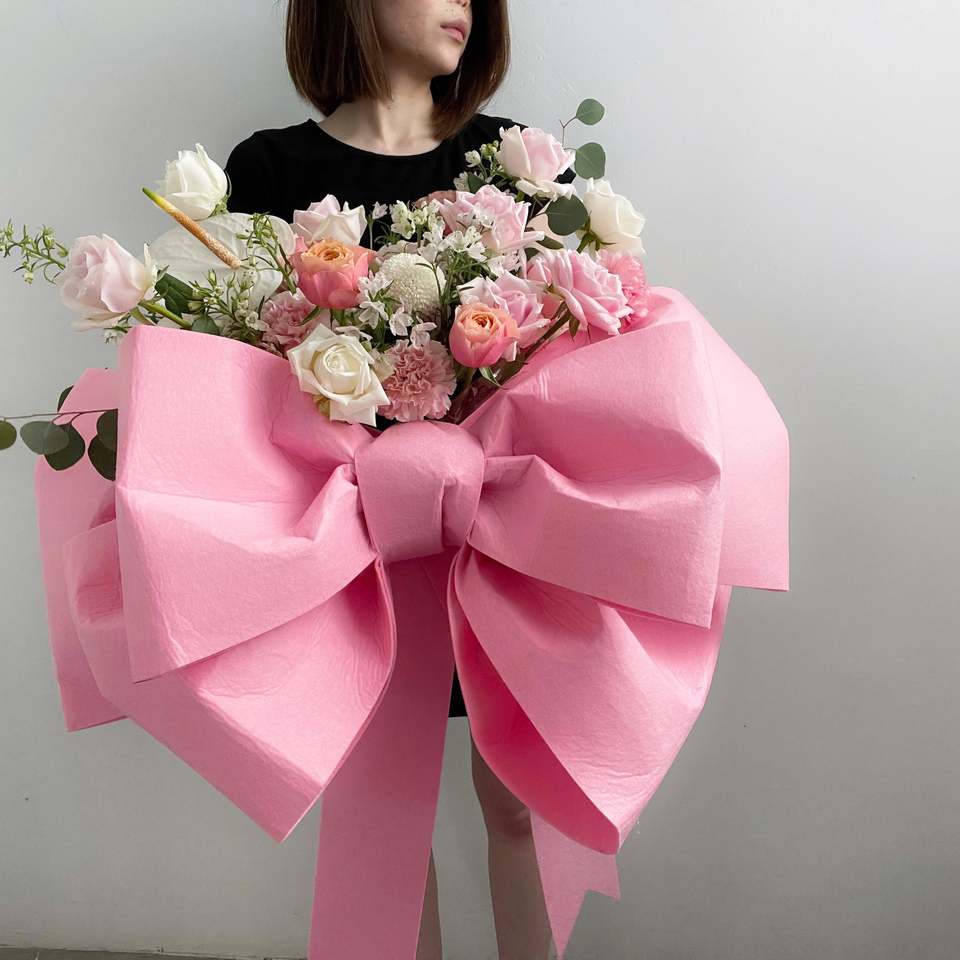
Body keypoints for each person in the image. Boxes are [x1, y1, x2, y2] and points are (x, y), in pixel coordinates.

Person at [223, 2, 560, 958]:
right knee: (385, 813)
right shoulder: (270, 171)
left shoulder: (517, 163)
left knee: (521, 804)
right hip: (349, 556)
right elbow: (240, 390)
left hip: (500, 546)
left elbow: (569, 369)